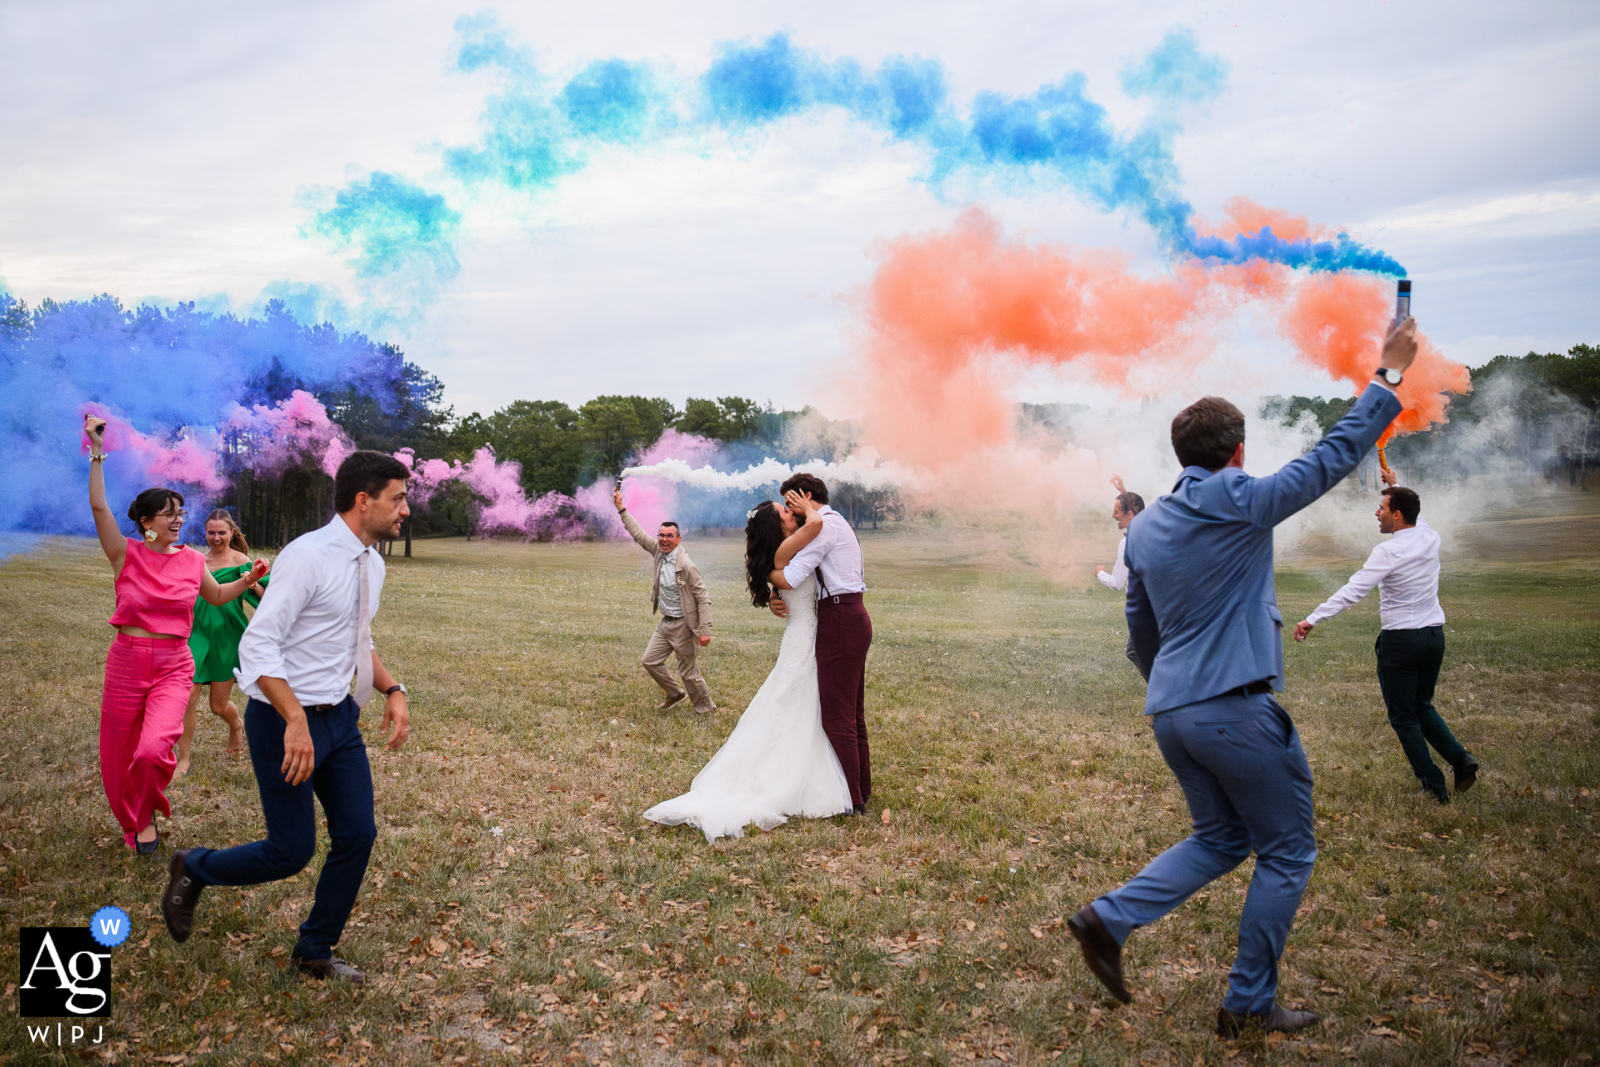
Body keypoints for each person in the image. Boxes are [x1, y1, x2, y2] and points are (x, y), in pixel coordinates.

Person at [1065, 319, 1420, 1037]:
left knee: (1223, 838)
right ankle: (1249, 1004)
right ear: (1237, 452)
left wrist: (1165, 682)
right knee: (1287, 849)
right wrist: (1387, 378)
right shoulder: (1243, 497)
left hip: (1173, 712)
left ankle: (1108, 917)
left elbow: (1140, 626)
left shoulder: (1145, 527)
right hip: (1233, 709)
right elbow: (1334, 454)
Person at [161, 450, 413, 984]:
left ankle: (314, 948)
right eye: (398, 498)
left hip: (339, 720)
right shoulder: (308, 557)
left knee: (358, 834)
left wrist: (392, 687)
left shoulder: (373, 562)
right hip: (281, 721)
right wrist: (294, 718)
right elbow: (258, 648)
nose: (405, 510)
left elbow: (355, 640)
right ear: (363, 500)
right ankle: (195, 867)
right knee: (290, 850)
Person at [83, 415, 267, 855]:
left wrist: (249, 579)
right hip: (127, 662)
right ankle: (139, 822)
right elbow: (99, 509)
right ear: (147, 522)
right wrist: (96, 451)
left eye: (180, 513)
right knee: (119, 752)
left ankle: (147, 806)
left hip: (173, 663)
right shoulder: (124, 554)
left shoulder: (191, 561)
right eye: (169, 515)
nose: (178, 520)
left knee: (150, 751)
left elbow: (220, 594)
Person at [643, 490, 852, 840]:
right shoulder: (790, 547)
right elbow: (814, 526)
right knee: (796, 704)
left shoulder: (787, 549)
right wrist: (808, 505)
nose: (790, 512)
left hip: (804, 635)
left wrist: (775, 596)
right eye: (784, 511)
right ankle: (791, 775)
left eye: (789, 508)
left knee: (794, 702)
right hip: (804, 638)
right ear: (777, 524)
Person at [1294, 477, 1478, 804]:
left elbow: (1353, 591)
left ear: (1397, 515)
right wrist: (1397, 484)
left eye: (1381, 508)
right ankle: (1461, 760)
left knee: (1404, 716)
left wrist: (1312, 618)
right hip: (1434, 638)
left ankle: (1433, 788)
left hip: (1402, 644)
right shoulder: (1429, 536)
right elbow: (1418, 514)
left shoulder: (1388, 551)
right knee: (1421, 705)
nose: (1376, 513)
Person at [768, 473, 872, 815]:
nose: (789, 511)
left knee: (837, 716)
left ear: (805, 495)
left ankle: (851, 799)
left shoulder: (823, 526)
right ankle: (860, 790)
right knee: (852, 714)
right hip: (851, 614)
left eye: (789, 502)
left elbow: (793, 575)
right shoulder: (836, 521)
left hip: (840, 619)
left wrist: (765, 574)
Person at [176, 509, 268, 775]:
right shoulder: (197, 560)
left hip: (228, 636)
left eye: (221, 533)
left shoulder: (242, 561)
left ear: (232, 533)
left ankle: (235, 724)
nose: (215, 538)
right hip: (196, 633)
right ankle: (183, 759)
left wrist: (253, 583)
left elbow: (264, 598)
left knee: (217, 705)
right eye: (211, 532)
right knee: (189, 695)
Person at [612, 487, 715, 714]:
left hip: (684, 625)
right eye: (661, 535)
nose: (664, 539)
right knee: (649, 661)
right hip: (665, 624)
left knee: (688, 672)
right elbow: (638, 534)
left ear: (678, 539)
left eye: (669, 536)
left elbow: (702, 597)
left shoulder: (687, 565)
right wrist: (621, 508)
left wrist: (704, 629)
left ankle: (706, 709)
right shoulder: (658, 552)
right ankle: (675, 693)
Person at [1095, 475, 1145, 665]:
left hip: (1142, 609)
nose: (1113, 515)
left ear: (1129, 514)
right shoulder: (1148, 531)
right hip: (1162, 604)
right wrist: (1124, 493)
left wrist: (1099, 572)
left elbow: (1117, 583)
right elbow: (1139, 515)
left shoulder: (1127, 543)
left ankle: (1164, 691)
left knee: (1133, 651)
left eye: (1117, 511)